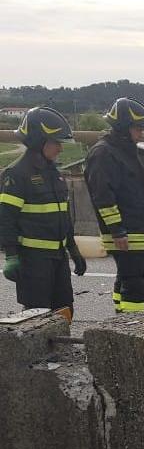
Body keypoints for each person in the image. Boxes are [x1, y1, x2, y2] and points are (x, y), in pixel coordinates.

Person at [0, 107, 86, 318]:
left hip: (58, 256)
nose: (60, 149)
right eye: (56, 142)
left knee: (65, 311)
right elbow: (5, 218)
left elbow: (63, 215)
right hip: (32, 260)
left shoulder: (53, 174)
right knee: (37, 316)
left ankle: (63, 352)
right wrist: (11, 255)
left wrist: (73, 249)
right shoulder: (17, 174)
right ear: (40, 141)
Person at [84, 97, 144, 313]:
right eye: (138, 128)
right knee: (133, 283)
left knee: (125, 276)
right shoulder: (104, 153)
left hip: (132, 229)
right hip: (124, 232)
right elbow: (103, 197)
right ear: (125, 128)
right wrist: (117, 230)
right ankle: (132, 326)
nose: (141, 133)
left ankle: (120, 321)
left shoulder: (123, 150)